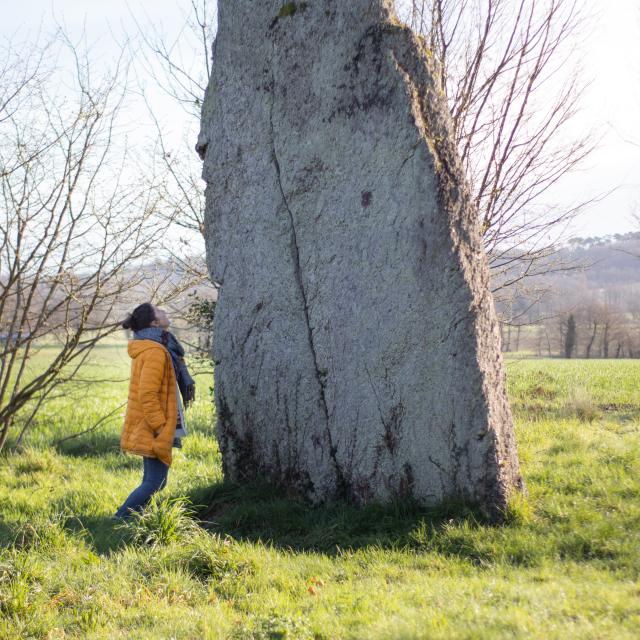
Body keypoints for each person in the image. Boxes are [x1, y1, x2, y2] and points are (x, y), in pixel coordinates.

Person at [114, 302, 196, 519]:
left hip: (150, 422)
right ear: (154, 322)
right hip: (153, 424)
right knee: (155, 482)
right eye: (160, 311)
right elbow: (147, 394)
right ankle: (121, 518)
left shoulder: (155, 347)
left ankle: (134, 518)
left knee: (153, 480)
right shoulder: (156, 351)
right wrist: (161, 426)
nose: (165, 311)